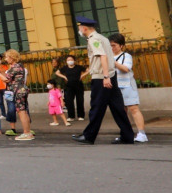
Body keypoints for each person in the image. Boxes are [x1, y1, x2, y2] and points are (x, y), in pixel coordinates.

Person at [71, 16, 135, 145]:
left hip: (101, 77)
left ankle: (88, 136)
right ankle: (127, 136)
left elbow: (103, 57)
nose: (79, 30)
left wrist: (105, 77)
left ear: (84, 28)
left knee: (96, 107)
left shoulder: (93, 40)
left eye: (79, 28)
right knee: (117, 108)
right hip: (112, 76)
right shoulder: (103, 38)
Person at [110, 34, 148, 143]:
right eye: (110, 46)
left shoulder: (126, 56)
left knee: (133, 109)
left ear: (121, 45)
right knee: (122, 111)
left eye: (114, 45)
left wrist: (113, 62)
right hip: (116, 87)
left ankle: (142, 134)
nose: (112, 48)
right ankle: (126, 133)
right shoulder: (108, 57)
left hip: (127, 85)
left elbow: (126, 69)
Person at [3, 50, 32, 141]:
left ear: (12, 57)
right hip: (22, 89)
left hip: (18, 91)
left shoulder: (15, 67)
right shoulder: (20, 66)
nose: (6, 59)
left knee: (21, 112)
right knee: (24, 111)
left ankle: (26, 133)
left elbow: (6, 79)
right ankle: (28, 132)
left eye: (7, 57)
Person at [54, 55, 87, 122]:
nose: (70, 61)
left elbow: (88, 70)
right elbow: (57, 72)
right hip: (69, 86)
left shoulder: (78, 67)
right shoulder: (65, 68)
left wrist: (82, 75)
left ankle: (80, 116)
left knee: (80, 100)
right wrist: (64, 77)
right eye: (68, 60)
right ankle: (71, 116)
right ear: (66, 61)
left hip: (79, 86)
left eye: (71, 59)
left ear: (74, 60)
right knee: (69, 101)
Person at [0, 53, 15, 135]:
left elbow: (6, 75)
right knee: (0, 101)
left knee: (9, 102)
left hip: (5, 87)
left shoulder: (5, 67)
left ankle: (11, 114)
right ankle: (3, 114)